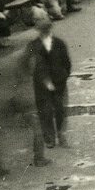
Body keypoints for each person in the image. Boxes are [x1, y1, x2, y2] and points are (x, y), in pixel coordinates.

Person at [22, 9, 72, 150]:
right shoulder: (33, 45)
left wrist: (63, 75)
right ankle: (49, 138)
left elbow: (67, 63)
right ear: (37, 29)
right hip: (41, 84)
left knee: (60, 108)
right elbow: (26, 63)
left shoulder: (59, 43)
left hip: (59, 82)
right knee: (45, 111)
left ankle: (61, 135)